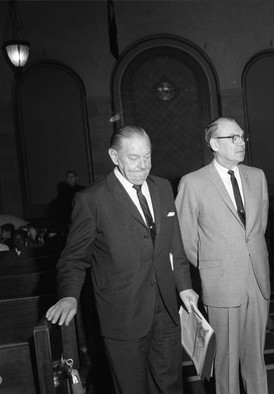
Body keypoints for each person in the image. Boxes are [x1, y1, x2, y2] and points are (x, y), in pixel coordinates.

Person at [45, 125, 198, 394]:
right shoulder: (91, 200)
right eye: (134, 158)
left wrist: (184, 286)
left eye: (147, 157)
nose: (142, 166)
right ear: (115, 157)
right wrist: (69, 295)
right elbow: (73, 259)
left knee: (171, 386)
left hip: (166, 312)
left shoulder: (162, 187)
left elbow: (174, 245)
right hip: (123, 316)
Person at [175, 117, 270, 394]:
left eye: (242, 137)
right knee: (225, 364)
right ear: (214, 144)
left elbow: (258, 227)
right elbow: (186, 240)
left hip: (258, 280)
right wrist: (215, 266)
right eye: (233, 138)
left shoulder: (257, 176)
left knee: (257, 360)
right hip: (222, 283)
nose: (241, 143)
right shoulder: (193, 183)